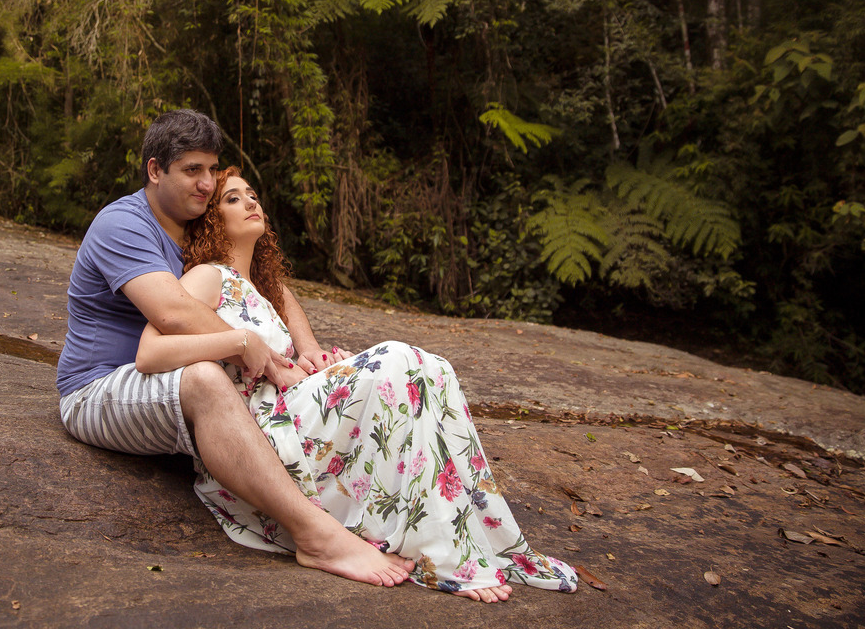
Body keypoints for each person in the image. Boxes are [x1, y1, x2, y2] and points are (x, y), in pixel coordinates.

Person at [135, 167, 579, 601]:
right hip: (256, 430)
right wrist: (241, 343)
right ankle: (441, 550)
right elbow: (149, 353)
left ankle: (474, 535)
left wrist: (328, 368)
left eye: (252, 195)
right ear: (212, 219)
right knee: (398, 360)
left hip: (296, 409)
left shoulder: (265, 289)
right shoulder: (208, 275)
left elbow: (294, 360)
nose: (251, 202)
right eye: (233, 198)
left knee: (432, 369)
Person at [56, 109, 414, 588]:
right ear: (155, 170)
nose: (206, 184)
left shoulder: (193, 222)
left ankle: (386, 514)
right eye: (192, 170)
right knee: (206, 378)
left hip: (172, 379)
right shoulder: (124, 224)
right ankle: (314, 535)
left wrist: (306, 348)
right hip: (103, 388)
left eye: (211, 169)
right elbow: (173, 314)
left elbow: (262, 284)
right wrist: (261, 355)